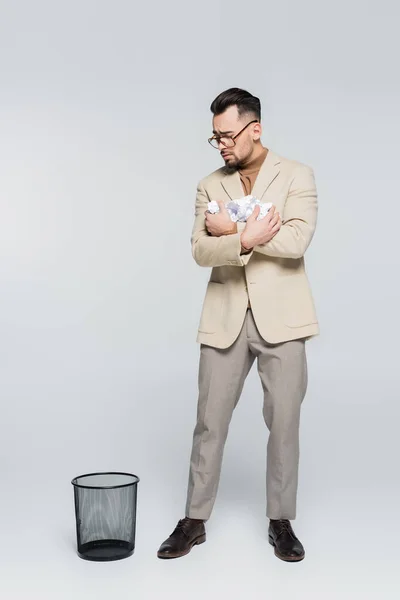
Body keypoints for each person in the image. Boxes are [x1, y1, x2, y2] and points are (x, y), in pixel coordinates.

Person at [157, 88, 319, 562]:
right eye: (215, 137)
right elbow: (200, 249)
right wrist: (250, 233)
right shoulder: (209, 184)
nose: (221, 144)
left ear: (255, 129)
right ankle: (194, 519)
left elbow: (296, 240)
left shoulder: (297, 175)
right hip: (225, 316)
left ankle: (281, 520)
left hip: (284, 320)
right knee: (209, 422)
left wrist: (230, 230)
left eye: (227, 135)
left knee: (284, 422)